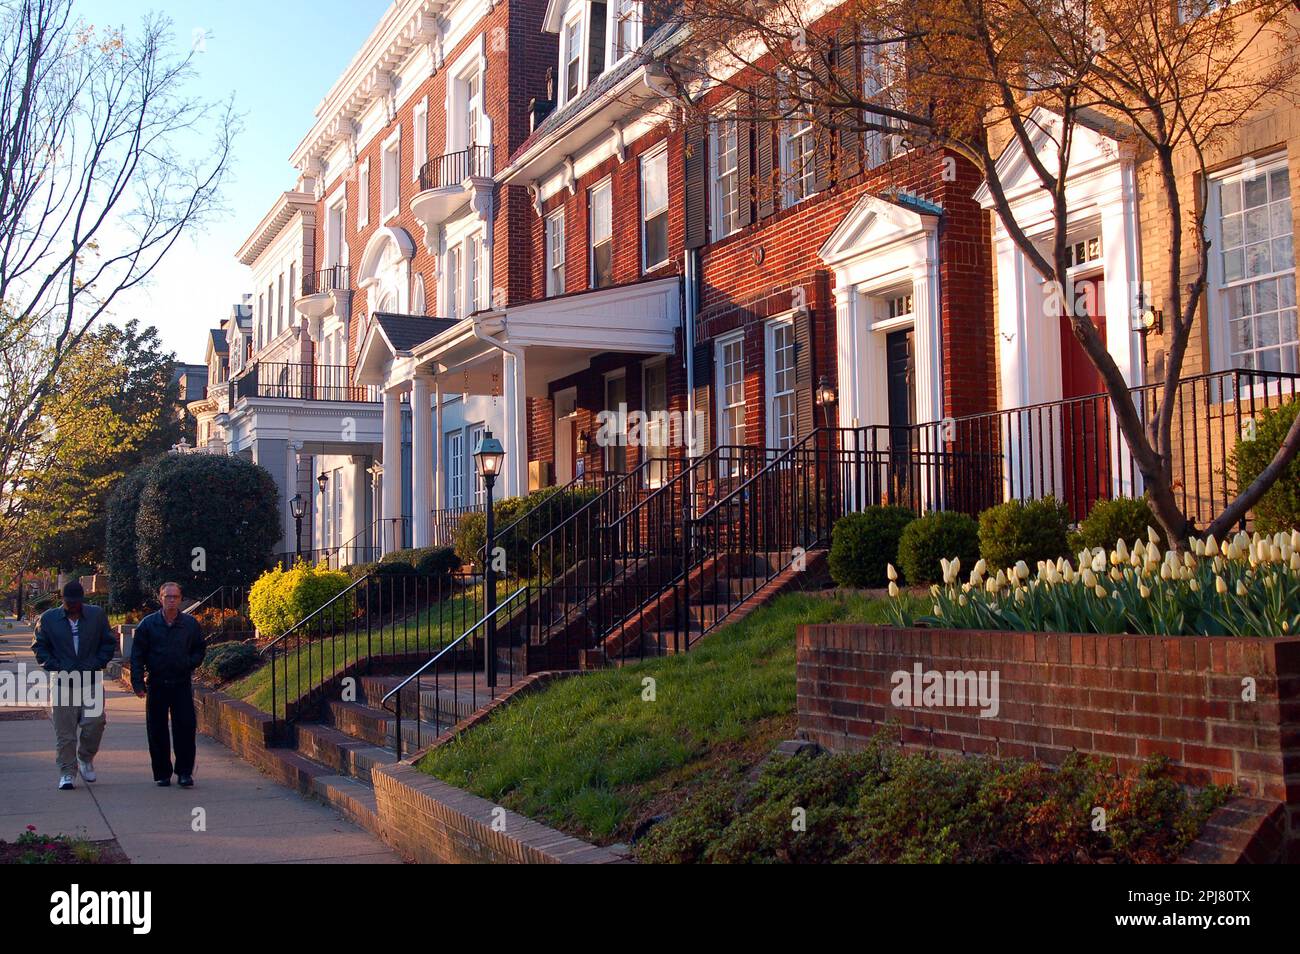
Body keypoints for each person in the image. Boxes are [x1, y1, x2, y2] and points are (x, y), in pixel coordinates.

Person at [31, 581, 116, 790]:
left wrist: (97, 663)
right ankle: (67, 772)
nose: (73, 606)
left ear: (82, 601)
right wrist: (55, 666)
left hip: (90, 680)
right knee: (65, 732)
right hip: (62, 681)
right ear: (63, 600)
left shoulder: (96, 615)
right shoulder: (49, 619)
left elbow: (108, 642)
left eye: (77, 602)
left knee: (95, 723)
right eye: (69, 603)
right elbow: (39, 646)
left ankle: (85, 758)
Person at [130, 582, 205, 787]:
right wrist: (137, 681)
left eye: (175, 597)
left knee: (185, 728)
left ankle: (184, 772)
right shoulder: (148, 624)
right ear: (160, 598)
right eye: (167, 596)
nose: (171, 600)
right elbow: (137, 655)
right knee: (157, 730)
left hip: (181, 683)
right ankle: (162, 773)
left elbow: (200, 648)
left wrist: (189, 663)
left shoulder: (190, 624)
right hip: (157, 683)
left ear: (180, 599)